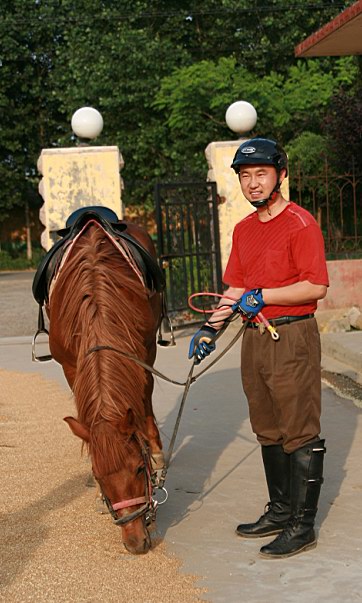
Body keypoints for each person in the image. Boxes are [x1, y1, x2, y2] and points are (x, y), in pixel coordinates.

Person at [188, 137, 329, 559]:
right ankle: (281, 511)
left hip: (292, 335)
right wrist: (210, 329)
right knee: (267, 426)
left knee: (299, 428)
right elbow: (235, 287)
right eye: (246, 176)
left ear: (280, 175)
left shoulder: (301, 224)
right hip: (254, 336)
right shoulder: (244, 230)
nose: (252, 184)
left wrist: (264, 294)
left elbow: (316, 285)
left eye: (261, 174)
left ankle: (302, 527)